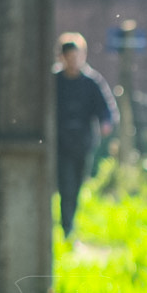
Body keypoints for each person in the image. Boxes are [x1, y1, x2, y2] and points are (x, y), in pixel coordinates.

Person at [54, 31, 118, 239]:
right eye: (69, 57)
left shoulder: (91, 82)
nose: (73, 62)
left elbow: (105, 108)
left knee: (77, 185)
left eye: (77, 56)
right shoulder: (54, 81)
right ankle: (67, 228)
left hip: (83, 142)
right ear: (62, 58)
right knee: (66, 185)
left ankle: (70, 224)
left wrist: (106, 122)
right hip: (60, 143)